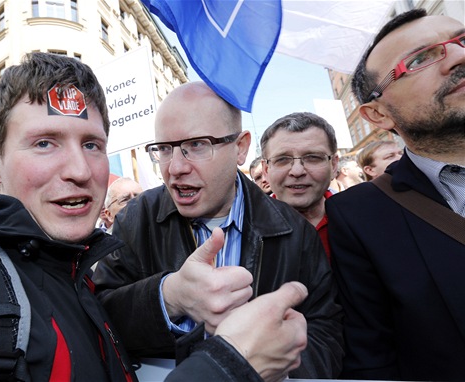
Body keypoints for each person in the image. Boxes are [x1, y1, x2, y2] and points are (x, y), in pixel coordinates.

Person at [0, 53, 310, 381]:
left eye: (93, 145)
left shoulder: (73, 272)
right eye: (45, 143)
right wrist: (228, 367)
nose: (80, 170)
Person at [93, 82, 344, 378]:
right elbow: (98, 318)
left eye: (197, 145)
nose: (175, 168)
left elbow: (326, 336)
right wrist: (168, 297)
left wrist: (270, 361)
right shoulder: (137, 218)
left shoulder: (295, 231)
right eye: (164, 148)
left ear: (240, 147)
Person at [326, 8, 465, 380]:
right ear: (377, 114)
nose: (458, 56)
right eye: (419, 59)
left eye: (462, 40)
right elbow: (372, 361)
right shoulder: (360, 216)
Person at [260, 112, 339, 260]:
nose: (297, 171)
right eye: (282, 159)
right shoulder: (245, 231)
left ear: (334, 165)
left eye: (313, 158)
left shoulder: (364, 218)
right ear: (266, 170)